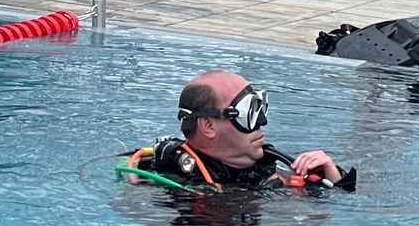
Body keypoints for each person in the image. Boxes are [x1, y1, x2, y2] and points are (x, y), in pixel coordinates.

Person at [120, 71, 355, 193]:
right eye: (248, 113)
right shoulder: (166, 182)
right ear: (208, 126)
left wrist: (333, 177)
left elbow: (333, 216)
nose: (261, 123)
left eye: (260, 108)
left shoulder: (268, 169)